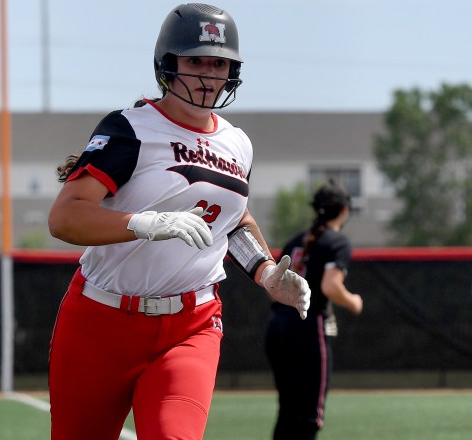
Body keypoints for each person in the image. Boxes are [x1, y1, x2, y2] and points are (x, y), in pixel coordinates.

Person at [46, 4, 310, 439]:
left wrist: (266, 273)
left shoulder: (237, 143)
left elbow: (234, 219)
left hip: (191, 325)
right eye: (195, 60)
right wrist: (143, 223)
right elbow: (65, 216)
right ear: (168, 65)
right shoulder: (129, 128)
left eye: (219, 62)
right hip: (100, 321)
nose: (208, 74)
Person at [265, 180, 363, 440]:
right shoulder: (337, 241)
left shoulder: (294, 240)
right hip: (307, 327)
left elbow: (272, 284)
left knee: (287, 411)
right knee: (309, 415)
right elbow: (330, 286)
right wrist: (353, 301)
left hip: (278, 324)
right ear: (344, 210)